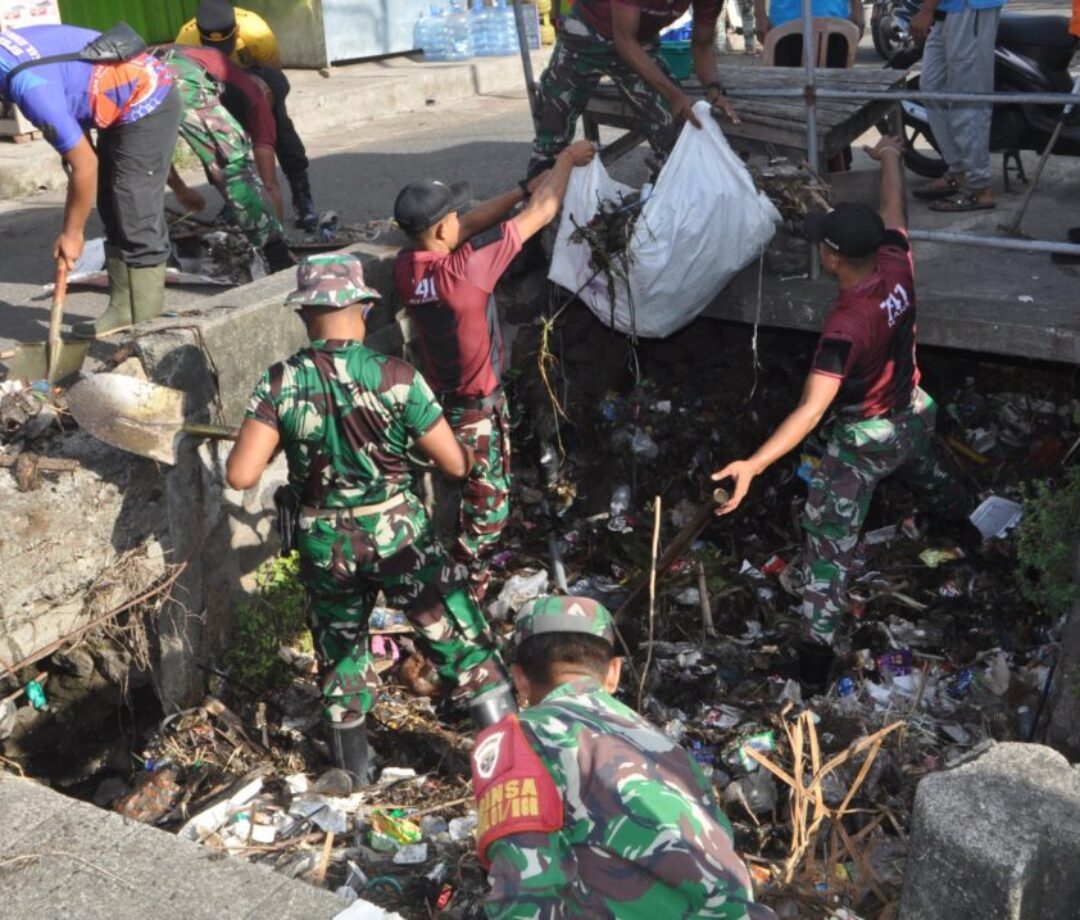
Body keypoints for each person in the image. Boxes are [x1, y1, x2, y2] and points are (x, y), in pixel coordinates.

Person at [226, 254, 517, 785]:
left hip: (323, 541)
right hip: (397, 532)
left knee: (340, 653)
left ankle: (354, 776)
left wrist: (287, 442)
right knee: (461, 642)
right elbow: (454, 465)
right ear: (362, 308)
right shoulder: (398, 377)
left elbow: (242, 476)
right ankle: (509, 771)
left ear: (303, 314)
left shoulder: (279, 383)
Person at [711, 136, 957, 688]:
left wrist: (752, 465)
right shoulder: (897, 262)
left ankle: (815, 668)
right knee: (931, 471)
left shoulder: (846, 327)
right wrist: (891, 156)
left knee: (826, 551)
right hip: (913, 411)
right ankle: (965, 525)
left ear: (831, 257)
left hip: (864, 442)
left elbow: (809, 411)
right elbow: (895, 208)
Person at [470, 594, 776, 919]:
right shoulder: (663, 746)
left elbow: (526, 888)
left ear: (519, 678)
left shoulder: (522, 736)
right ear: (614, 672)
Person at [392, 140, 597, 604]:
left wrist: (521, 187)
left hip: (444, 404)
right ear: (443, 227)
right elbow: (543, 213)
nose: (461, 224)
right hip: (477, 415)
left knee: (474, 499)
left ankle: (460, 582)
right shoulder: (466, 272)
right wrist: (567, 161)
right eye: (453, 220)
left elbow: (469, 224)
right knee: (488, 513)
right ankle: (462, 597)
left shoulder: (410, 267)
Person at [0, 25, 181, 339]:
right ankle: (123, 310)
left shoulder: (30, 87)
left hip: (147, 97)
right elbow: (70, 108)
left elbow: (85, 165)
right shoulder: (11, 58)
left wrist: (73, 234)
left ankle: (151, 333)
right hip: (111, 97)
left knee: (134, 209)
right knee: (111, 206)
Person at [529, 0, 740, 178]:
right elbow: (623, 39)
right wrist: (675, 95)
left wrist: (714, 90)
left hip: (639, 42)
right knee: (552, 124)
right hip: (585, 38)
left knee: (677, 127)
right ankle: (535, 200)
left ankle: (668, 197)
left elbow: (702, 45)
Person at [177, 0, 318, 230]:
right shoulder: (186, 39)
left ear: (236, 31)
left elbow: (275, 74)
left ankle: (302, 197)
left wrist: (261, 100)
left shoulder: (256, 31)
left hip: (255, 80)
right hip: (214, 85)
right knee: (214, 141)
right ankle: (235, 198)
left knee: (278, 127)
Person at [155, 45, 294, 273]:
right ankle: (278, 259)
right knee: (233, 165)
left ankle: (146, 257)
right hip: (176, 75)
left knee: (139, 161)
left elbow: (155, 149)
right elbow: (268, 184)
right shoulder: (257, 99)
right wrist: (279, 240)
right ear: (269, 93)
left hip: (137, 70)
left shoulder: (215, 63)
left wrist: (180, 189)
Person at [909, 0, 1007, 212]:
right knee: (931, 87)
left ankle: (979, 188)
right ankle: (959, 171)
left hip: (970, 7)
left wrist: (926, 10)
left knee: (967, 98)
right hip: (947, 9)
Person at [754, 0, 865, 66]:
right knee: (787, 87)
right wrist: (759, 13)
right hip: (786, 19)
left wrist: (858, 7)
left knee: (834, 85)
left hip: (834, 19)